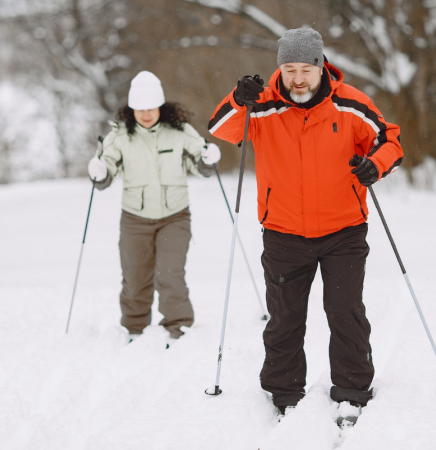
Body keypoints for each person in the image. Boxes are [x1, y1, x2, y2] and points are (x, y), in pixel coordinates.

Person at [207, 28, 403, 423]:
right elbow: (220, 128)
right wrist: (237, 98)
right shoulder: (260, 104)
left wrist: (373, 166)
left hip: (343, 230)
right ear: (280, 67)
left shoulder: (351, 104)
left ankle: (351, 390)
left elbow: (390, 142)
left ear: (320, 66)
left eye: (305, 69)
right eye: (289, 68)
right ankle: (283, 392)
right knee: (285, 317)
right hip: (283, 232)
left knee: (345, 311)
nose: (297, 78)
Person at [88, 70, 221, 344]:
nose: (146, 115)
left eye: (151, 108)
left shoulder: (180, 131)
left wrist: (208, 158)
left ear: (160, 106)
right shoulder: (121, 136)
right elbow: (107, 168)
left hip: (175, 216)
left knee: (170, 273)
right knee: (135, 277)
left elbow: (200, 160)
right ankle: (134, 329)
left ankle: (179, 327)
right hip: (134, 218)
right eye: (140, 109)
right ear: (131, 109)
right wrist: (100, 172)